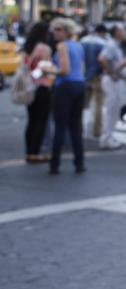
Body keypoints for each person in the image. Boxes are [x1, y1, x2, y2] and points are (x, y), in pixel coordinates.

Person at [47, 18, 86, 174]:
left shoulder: (62, 46)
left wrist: (49, 70)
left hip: (65, 86)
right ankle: (79, 162)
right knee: (75, 126)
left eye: (59, 29)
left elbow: (65, 70)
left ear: (67, 31)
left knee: (60, 126)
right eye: (54, 29)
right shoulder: (78, 45)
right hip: (79, 85)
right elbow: (81, 68)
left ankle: (54, 164)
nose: (55, 32)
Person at [21, 22, 53, 163]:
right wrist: (54, 70)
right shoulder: (44, 48)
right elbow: (44, 69)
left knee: (32, 120)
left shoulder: (27, 48)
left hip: (28, 87)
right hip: (41, 86)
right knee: (41, 120)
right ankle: (35, 152)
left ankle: (29, 151)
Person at [98, 24, 126, 150]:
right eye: (123, 30)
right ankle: (106, 138)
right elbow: (102, 59)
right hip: (112, 81)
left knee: (114, 109)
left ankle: (109, 136)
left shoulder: (115, 45)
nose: (125, 33)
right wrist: (113, 73)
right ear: (117, 32)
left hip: (114, 80)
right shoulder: (111, 45)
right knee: (112, 110)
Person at [80, 23, 107, 139]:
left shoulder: (83, 41)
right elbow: (103, 60)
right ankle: (97, 130)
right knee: (98, 105)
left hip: (83, 76)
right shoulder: (103, 43)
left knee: (82, 106)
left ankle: (79, 129)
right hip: (98, 76)